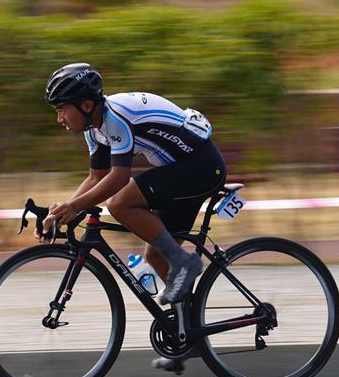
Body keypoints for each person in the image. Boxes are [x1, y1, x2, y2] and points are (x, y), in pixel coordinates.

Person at [38, 63, 227, 309]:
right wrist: (63, 212)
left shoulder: (116, 118)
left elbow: (118, 178)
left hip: (201, 168)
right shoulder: (94, 129)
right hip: (182, 172)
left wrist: (74, 207)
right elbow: (96, 177)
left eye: (62, 109)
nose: (59, 118)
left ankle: (184, 262)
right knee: (155, 254)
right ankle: (186, 325)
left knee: (120, 204)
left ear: (86, 105)